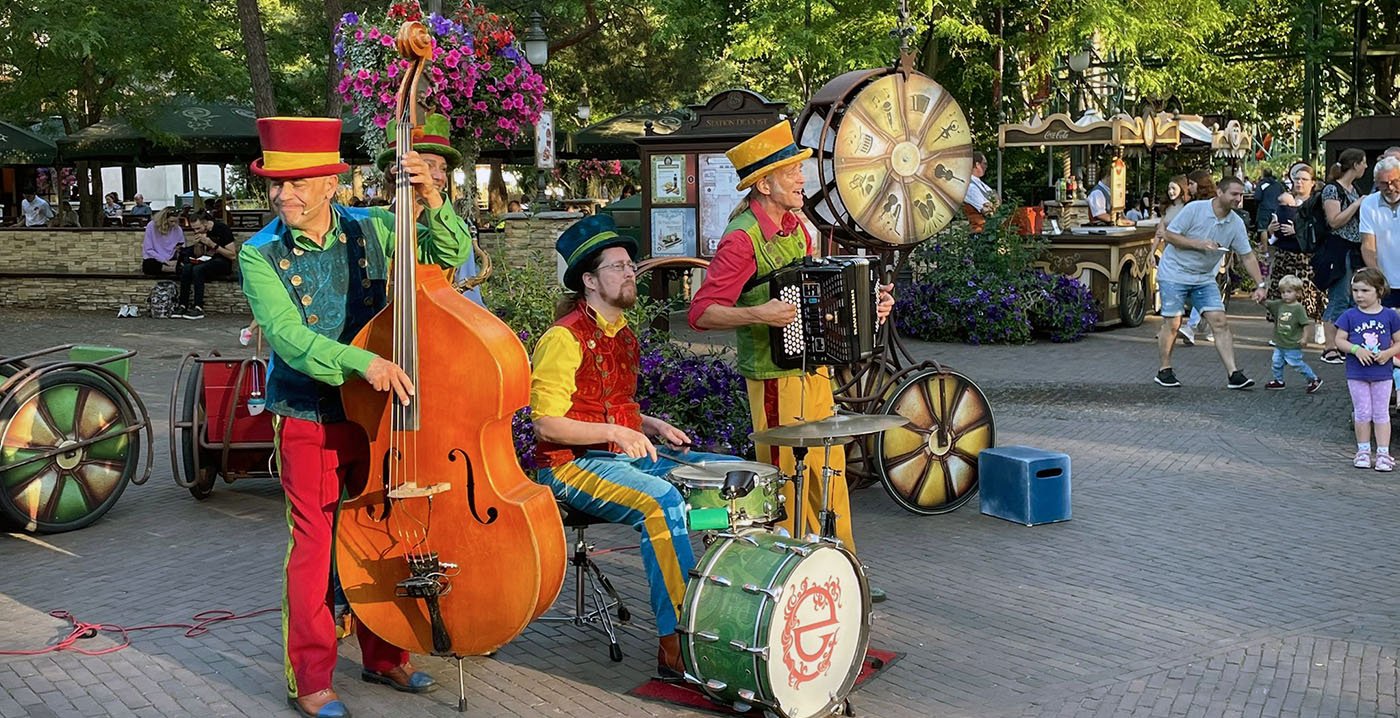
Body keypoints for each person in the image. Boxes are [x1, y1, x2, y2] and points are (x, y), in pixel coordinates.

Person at [239, 116, 471, 718]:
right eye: (275, 185)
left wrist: (432, 199)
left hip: (378, 417)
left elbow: (453, 259)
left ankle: (385, 655)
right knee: (314, 549)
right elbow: (288, 340)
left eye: (297, 184)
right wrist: (364, 362)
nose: (283, 196)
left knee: (377, 531)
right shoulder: (257, 253)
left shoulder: (377, 226)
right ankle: (310, 679)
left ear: (332, 184)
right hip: (309, 414)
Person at [688, 121, 894, 597]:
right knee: (788, 478)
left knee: (830, 472)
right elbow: (701, 312)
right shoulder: (742, 238)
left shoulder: (799, 229)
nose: (803, 178)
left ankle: (844, 568)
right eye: (792, 171)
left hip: (812, 370)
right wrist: (758, 312)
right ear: (764, 184)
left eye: (800, 168)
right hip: (774, 378)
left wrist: (871, 309)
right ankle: (795, 576)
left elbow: (820, 302)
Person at [529, 214, 737, 678]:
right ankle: (676, 645)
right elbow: (546, 424)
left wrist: (650, 423)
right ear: (589, 280)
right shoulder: (563, 337)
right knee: (662, 503)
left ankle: (733, 612)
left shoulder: (622, 333)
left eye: (630, 264)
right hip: (570, 466)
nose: (630, 273)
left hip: (624, 454)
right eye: (619, 266)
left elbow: (607, 404)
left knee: (735, 477)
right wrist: (617, 433)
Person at [1154, 177, 1268, 389]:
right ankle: (1164, 369)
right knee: (1173, 323)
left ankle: (1234, 373)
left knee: (1220, 322)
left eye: (1241, 194)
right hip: (1174, 273)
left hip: (1204, 277)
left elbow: (1248, 256)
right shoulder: (1195, 209)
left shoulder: (1235, 223)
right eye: (1234, 194)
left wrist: (1260, 285)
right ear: (1219, 192)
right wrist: (1199, 244)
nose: (1239, 199)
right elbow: (1168, 236)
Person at [377, 113, 484, 307]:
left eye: (443, 169)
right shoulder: (374, 223)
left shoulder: (455, 228)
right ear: (396, 169)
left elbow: (472, 301)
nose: (437, 176)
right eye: (427, 166)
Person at [1334, 267, 1400, 472]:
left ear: (1379, 291)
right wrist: (1356, 350)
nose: (1359, 296)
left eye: (1364, 291)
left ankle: (1383, 453)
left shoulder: (1390, 316)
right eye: (1355, 291)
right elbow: (1339, 340)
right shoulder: (1349, 315)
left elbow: (1398, 342)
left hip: (1382, 373)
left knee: (1381, 413)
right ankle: (1363, 451)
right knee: (1362, 412)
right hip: (1357, 373)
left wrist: (1388, 354)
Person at [1317, 149, 1369, 365]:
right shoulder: (1333, 189)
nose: (1366, 167)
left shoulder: (1353, 188)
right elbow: (1335, 221)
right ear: (1355, 164)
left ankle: (1344, 343)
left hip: (1354, 248)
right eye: (1364, 163)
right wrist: (1357, 204)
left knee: (1351, 298)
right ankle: (1329, 347)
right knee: (1339, 296)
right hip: (1339, 249)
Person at [1261, 274, 1322, 392]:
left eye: (1289, 292)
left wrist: (1305, 338)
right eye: (1283, 292)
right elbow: (1268, 304)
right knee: (1276, 363)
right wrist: (1260, 300)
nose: (1285, 295)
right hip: (1280, 343)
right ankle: (1278, 381)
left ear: (1298, 293)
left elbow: (1305, 324)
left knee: (1297, 364)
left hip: (1293, 344)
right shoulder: (1279, 304)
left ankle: (1313, 379)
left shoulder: (1299, 309)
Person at [174, 211, 237, 319]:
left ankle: (198, 307)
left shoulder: (222, 229)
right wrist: (198, 244)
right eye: (194, 229)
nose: (196, 231)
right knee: (187, 268)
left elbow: (232, 255)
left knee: (198, 270)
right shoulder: (201, 232)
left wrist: (212, 244)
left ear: (206, 223)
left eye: (198, 228)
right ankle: (183, 304)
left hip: (222, 262)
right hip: (206, 260)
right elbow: (199, 254)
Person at [1360, 156, 1400, 308]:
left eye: (1395, 181)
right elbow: (1368, 245)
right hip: (1386, 281)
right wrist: (1379, 278)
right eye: (1384, 183)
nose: (1390, 187)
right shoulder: (1369, 204)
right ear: (1376, 182)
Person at [961, 151, 998, 232]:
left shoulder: (980, 183)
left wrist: (994, 203)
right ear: (977, 165)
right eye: (985, 164)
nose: (986, 167)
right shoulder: (969, 186)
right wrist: (994, 204)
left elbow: (997, 198)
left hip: (986, 229)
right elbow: (986, 210)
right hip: (979, 230)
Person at [141, 207, 184, 275]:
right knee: (149, 265)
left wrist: (178, 258)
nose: (174, 224)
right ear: (164, 220)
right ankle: (172, 269)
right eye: (171, 221)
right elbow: (148, 249)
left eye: (176, 221)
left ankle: (172, 269)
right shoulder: (151, 226)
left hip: (171, 259)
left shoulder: (178, 229)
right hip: (155, 259)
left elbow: (182, 247)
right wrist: (164, 261)